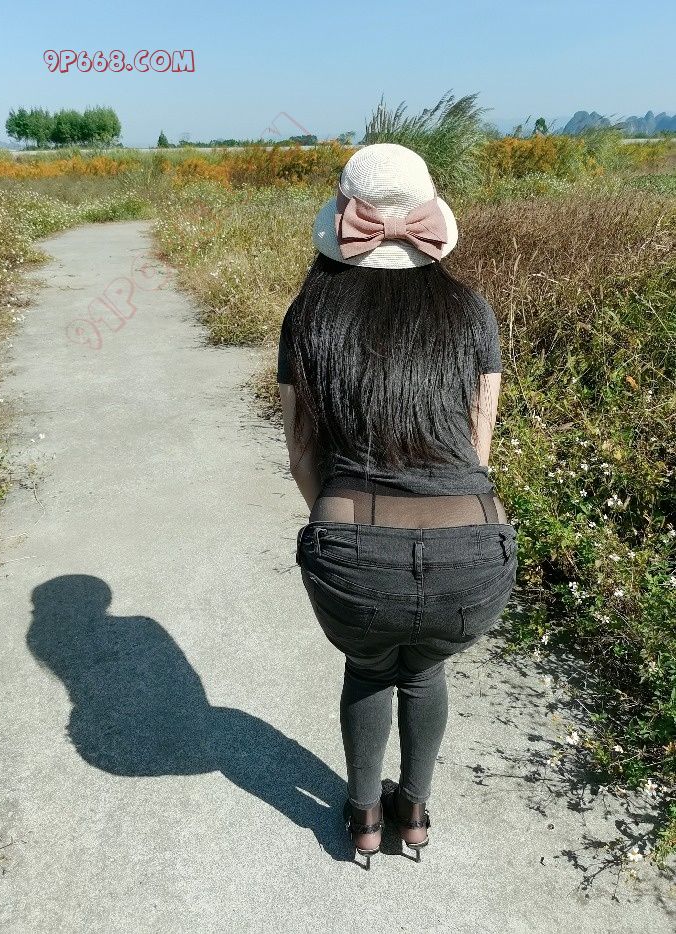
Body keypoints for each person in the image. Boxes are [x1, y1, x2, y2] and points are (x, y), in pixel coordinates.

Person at [276, 143, 519, 869]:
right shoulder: (470, 311)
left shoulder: (309, 314)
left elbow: (301, 454)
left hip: (352, 551)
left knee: (367, 666)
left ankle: (362, 817)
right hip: (473, 557)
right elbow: (478, 451)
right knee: (423, 671)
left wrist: (340, 523)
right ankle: (413, 811)